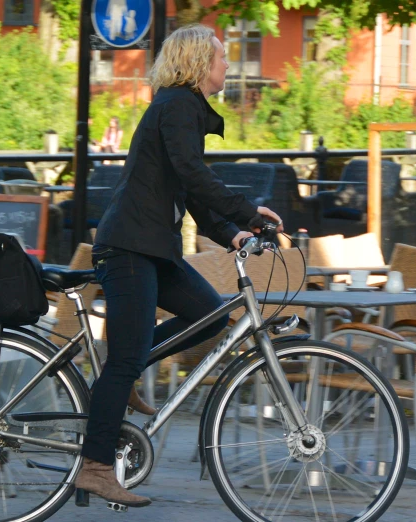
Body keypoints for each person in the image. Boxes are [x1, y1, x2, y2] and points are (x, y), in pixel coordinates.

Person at [74, 24, 284, 508]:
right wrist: (246, 211)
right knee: (126, 360)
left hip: (153, 247)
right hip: (129, 248)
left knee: (209, 314)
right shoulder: (175, 106)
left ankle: (121, 373)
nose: (228, 65)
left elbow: (185, 186)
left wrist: (231, 232)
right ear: (197, 63)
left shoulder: (180, 108)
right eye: (221, 57)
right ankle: (97, 468)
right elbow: (194, 173)